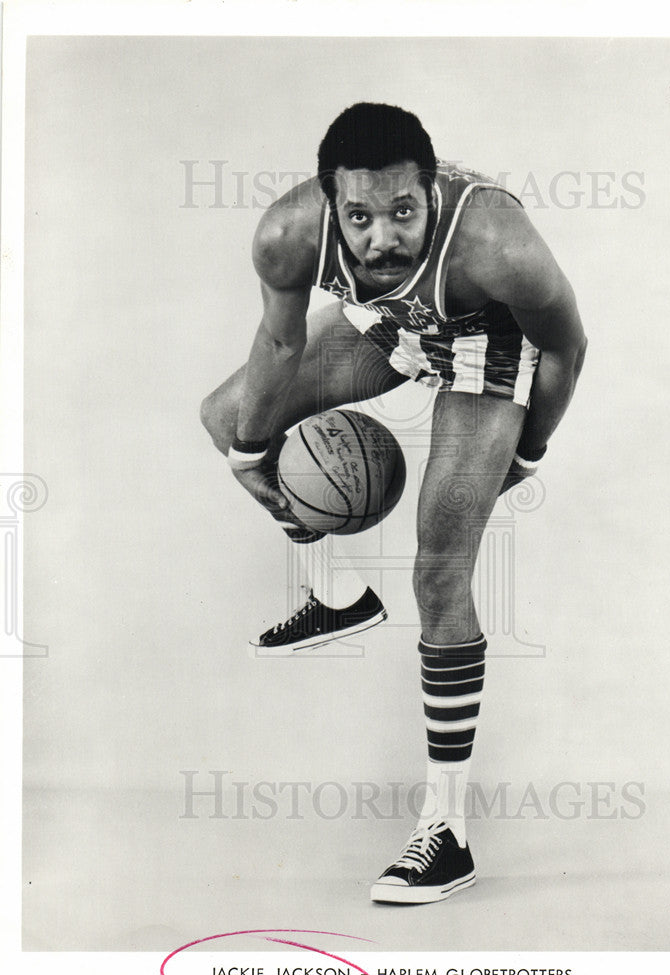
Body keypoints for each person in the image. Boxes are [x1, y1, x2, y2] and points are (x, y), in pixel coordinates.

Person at [200, 103, 586, 904]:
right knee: (227, 418)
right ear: (328, 203)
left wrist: (528, 450)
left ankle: (446, 834)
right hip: (391, 327)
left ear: (430, 196)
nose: (381, 238)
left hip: (489, 344)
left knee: (439, 571)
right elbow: (279, 345)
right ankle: (340, 598)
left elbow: (565, 343)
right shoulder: (287, 235)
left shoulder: (495, 244)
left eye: (403, 212)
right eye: (361, 216)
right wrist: (247, 454)